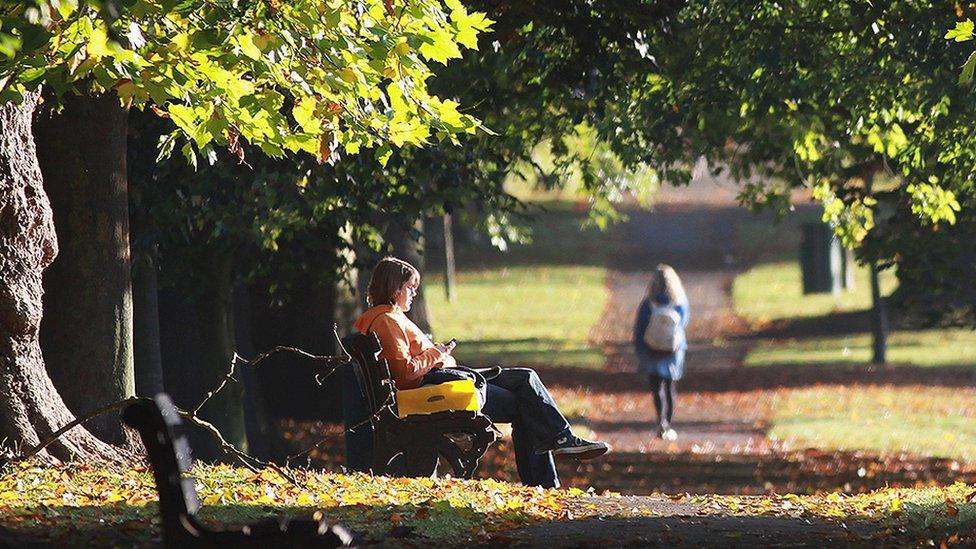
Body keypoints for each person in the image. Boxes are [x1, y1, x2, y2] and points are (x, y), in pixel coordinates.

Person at [354, 256, 610, 488]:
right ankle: (552, 464)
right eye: (410, 288)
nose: (413, 294)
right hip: (437, 389)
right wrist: (438, 353)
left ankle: (561, 444)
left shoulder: (387, 317)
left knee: (526, 377)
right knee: (525, 402)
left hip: (444, 381)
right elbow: (406, 372)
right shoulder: (388, 321)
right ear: (395, 288)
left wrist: (435, 353)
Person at [633, 264, 689, 441]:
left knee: (657, 388)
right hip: (673, 351)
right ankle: (669, 424)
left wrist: (640, 350)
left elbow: (640, 328)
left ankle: (660, 420)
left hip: (652, 350)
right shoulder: (679, 302)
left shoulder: (649, 302)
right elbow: (684, 323)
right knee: (670, 386)